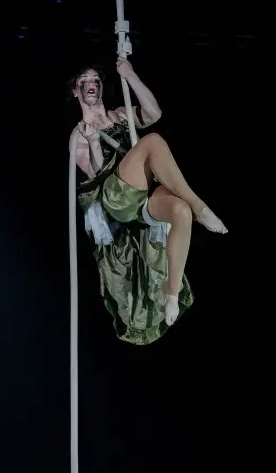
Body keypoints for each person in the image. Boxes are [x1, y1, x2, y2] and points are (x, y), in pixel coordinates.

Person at [70, 58, 227, 344]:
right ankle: (201, 208)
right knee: (152, 141)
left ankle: (171, 293)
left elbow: (154, 112)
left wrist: (130, 75)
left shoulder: (120, 115)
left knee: (180, 211)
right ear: (76, 91)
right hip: (117, 198)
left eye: (95, 80)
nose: (91, 84)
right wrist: (93, 142)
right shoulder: (78, 134)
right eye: (84, 81)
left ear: (101, 87)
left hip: (144, 196)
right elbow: (97, 175)